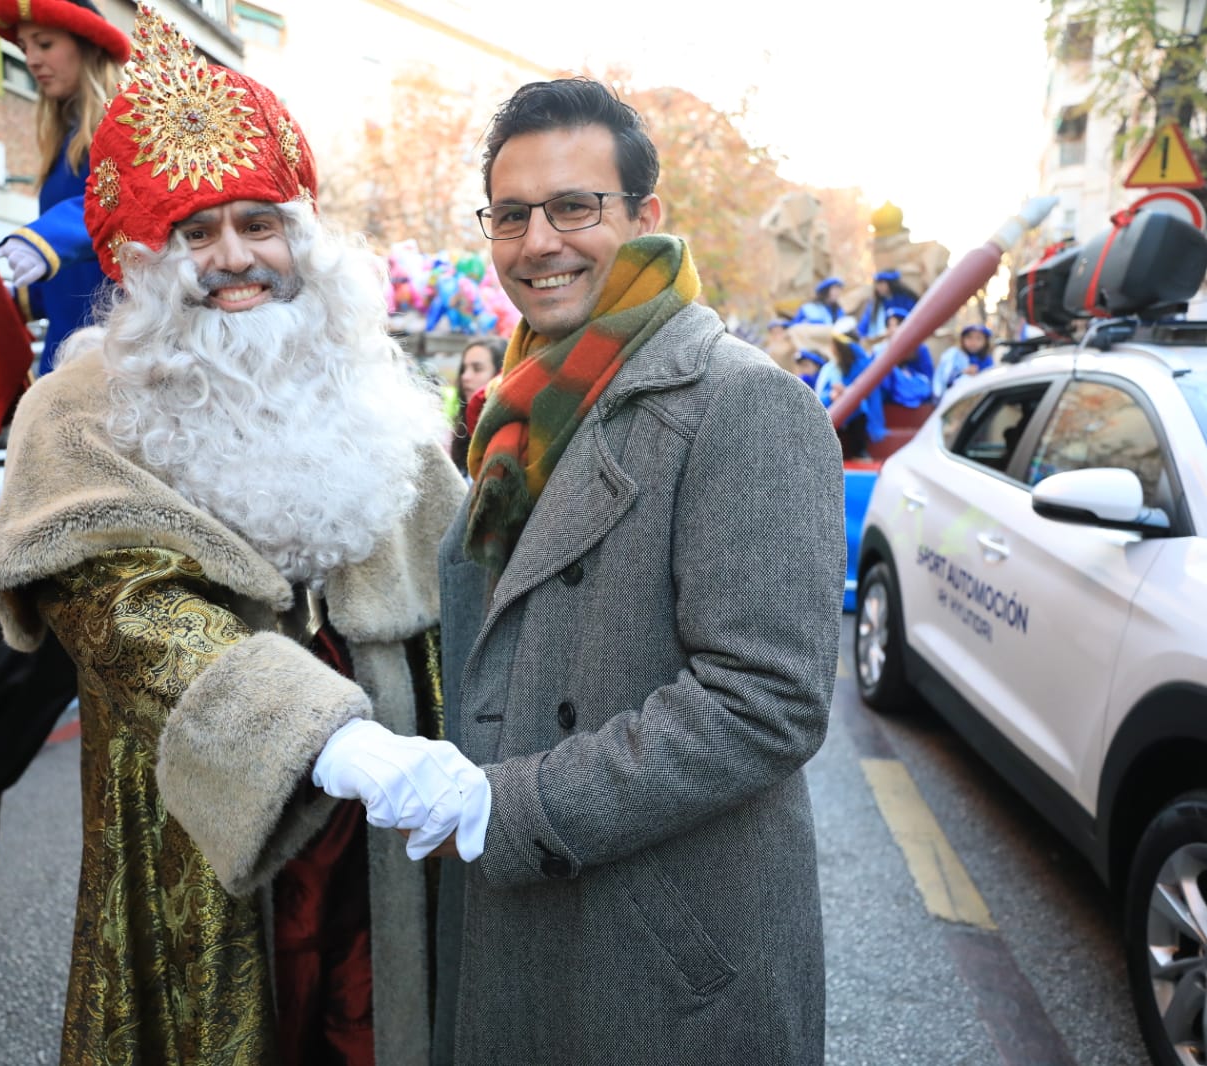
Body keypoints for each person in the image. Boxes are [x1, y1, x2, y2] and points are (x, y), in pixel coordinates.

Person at [0, 11, 465, 1060]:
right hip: (197, 832)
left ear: (304, 238)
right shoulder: (77, 411)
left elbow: (469, 574)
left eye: (259, 223)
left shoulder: (373, 390)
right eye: (197, 234)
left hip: (388, 831)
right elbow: (124, 610)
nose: (236, 258)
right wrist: (330, 738)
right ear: (147, 262)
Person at [369, 77, 844, 1065]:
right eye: (511, 214)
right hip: (518, 916)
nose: (539, 241)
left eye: (575, 206)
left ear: (644, 218)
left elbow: (766, 700)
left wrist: (514, 805)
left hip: (654, 953)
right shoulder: (515, 404)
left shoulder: (743, 402)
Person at [0, 0, 129, 375]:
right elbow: (64, 277)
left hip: (121, 350)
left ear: (86, 47)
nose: (31, 59)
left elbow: (127, 204)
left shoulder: (129, 125)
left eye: (44, 44)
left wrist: (46, 239)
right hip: (68, 348)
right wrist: (10, 295)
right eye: (24, 48)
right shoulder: (65, 140)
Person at [817, 320, 886, 460]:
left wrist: (846, 393)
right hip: (832, 415)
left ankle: (859, 452)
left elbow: (866, 394)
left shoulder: (862, 365)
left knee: (859, 408)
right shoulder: (830, 369)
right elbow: (818, 397)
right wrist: (832, 396)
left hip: (855, 418)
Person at [450, 337, 506, 472]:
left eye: (477, 368)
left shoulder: (509, 434)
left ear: (500, 374)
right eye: (464, 369)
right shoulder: (459, 432)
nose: (465, 376)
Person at [875, 307, 936, 409]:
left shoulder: (919, 348)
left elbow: (928, 380)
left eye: (898, 324)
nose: (893, 329)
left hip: (915, 391)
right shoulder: (882, 349)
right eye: (890, 325)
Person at [858, 269, 919, 343]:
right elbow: (865, 324)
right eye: (877, 284)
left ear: (890, 283)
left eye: (881, 283)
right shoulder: (876, 304)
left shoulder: (906, 298)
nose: (878, 287)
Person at [935, 324, 995, 397]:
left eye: (979, 338)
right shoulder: (954, 356)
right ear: (962, 339)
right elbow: (943, 378)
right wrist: (962, 373)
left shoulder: (987, 360)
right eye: (969, 337)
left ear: (985, 342)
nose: (973, 342)